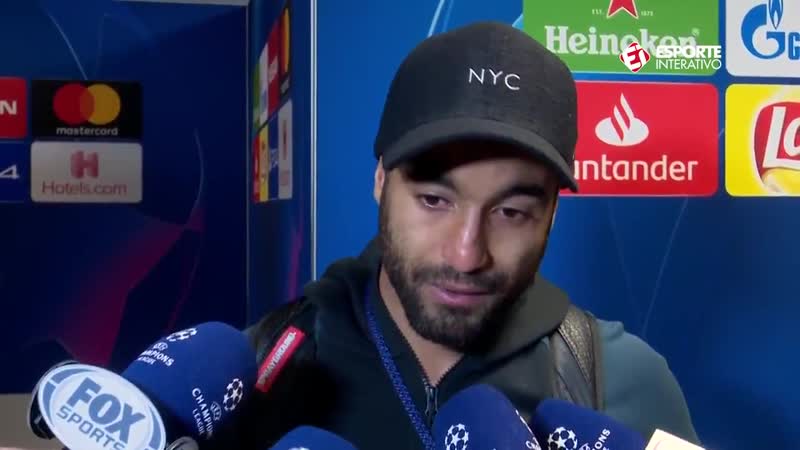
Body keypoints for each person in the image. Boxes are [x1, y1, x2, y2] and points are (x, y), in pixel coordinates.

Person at [212, 21, 699, 450]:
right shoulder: (259, 369)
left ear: (551, 214)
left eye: (510, 211)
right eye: (434, 201)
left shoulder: (625, 380)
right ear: (381, 181)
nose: (467, 254)